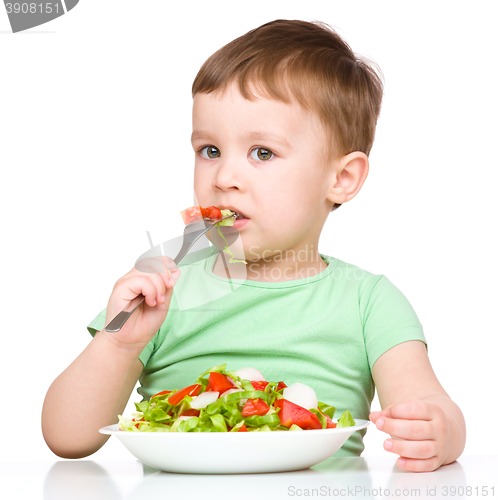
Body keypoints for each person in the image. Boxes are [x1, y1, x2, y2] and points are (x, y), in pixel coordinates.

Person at [42, 19, 465, 471]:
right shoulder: (163, 288)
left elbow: (433, 408)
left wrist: (438, 432)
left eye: (262, 153)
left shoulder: (368, 301)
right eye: (209, 151)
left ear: (341, 179)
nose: (224, 178)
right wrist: (118, 344)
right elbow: (67, 438)